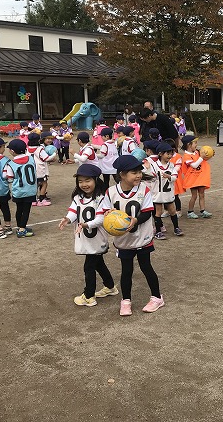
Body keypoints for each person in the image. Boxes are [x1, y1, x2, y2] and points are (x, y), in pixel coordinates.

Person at [99, 155, 164, 315]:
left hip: (142, 238)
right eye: (134, 173)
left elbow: (148, 212)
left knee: (146, 267)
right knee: (126, 271)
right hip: (124, 240)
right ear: (122, 174)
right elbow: (104, 211)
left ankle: (157, 297)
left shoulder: (144, 190)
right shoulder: (111, 192)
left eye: (139, 172)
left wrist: (135, 220)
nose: (138, 175)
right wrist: (108, 214)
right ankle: (126, 300)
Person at [58, 164, 118, 307]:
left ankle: (89, 295)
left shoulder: (101, 199)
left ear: (96, 180)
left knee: (89, 267)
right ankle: (110, 287)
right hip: (85, 238)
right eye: (80, 181)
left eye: (87, 180)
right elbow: (73, 211)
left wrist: (87, 224)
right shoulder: (78, 197)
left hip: (97, 239)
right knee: (99, 264)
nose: (84, 184)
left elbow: (101, 219)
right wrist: (67, 219)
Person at [3, 139, 37, 238]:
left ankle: (21, 228)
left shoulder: (11, 163)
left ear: (12, 151)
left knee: (19, 209)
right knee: (26, 210)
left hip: (18, 190)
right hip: (30, 189)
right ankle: (22, 227)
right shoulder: (31, 158)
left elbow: (9, 178)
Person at [148, 142, 182, 238]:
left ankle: (176, 228)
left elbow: (175, 177)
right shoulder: (153, 166)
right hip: (158, 193)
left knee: (172, 211)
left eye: (171, 154)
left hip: (168, 193)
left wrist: (169, 177)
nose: (170, 156)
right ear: (160, 154)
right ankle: (158, 231)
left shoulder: (171, 165)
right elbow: (149, 177)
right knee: (158, 212)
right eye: (167, 154)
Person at [181, 135, 212, 219]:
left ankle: (203, 210)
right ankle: (190, 211)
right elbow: (194, 165)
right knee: (194, 196)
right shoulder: (186, 156)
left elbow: (204, 160)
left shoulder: (197, 152)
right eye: (195, 143)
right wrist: (201, 157)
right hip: (193, 179)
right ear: (189, 144)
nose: (196, 144)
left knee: (202, 194)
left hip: (200, 178)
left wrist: (209, 154)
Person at [28, 132, 56, 206]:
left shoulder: (27, 149)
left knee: (34, 185)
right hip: (40, 170)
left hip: (31, 170)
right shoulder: (40, 149)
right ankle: (42, 199)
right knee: (44, 183)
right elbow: (46, 158)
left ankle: (33, 200)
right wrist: (54, 154)